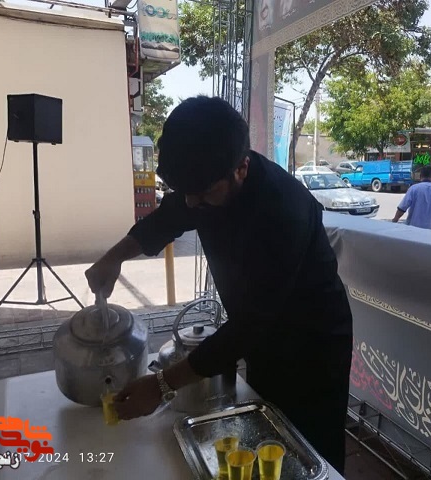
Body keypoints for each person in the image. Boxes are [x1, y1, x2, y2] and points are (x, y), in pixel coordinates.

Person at [85, 96, 353, 474]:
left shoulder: (282, 211)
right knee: (267, 436)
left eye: (203, 193)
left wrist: (161, 385)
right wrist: (114, 257)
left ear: (241, 168)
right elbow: (168, 218)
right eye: (185, 191)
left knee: (312, 452)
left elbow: (250, 326)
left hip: (313, 345)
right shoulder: (205, 180)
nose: (191, 203)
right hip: (263, 337)